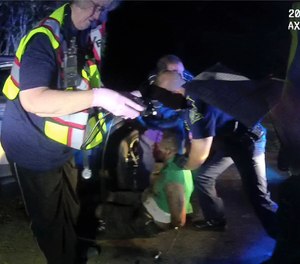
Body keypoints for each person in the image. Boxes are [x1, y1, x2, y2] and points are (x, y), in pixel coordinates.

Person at [0, 1, 144, 263]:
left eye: (104, 10)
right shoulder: (43, 39)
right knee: (49, 219)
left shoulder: (82, 34)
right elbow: (34, 101)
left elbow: (79, 86)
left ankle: (72, 247)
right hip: (30, 144)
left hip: (62, 141)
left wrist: (119, 98)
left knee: (72, 204)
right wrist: (99, 97)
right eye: (93, 5)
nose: (95, 15)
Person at [153, 70, 278, 239]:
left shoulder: (197, 108)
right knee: (204, 177)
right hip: (228, 140)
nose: (164, 103)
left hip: (249, 143)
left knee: (258, 197)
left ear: (174, 92)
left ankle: (285, 235)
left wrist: (179, 164)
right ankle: (215, 220)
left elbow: (198, 158)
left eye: (164, 98)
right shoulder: (190, 91)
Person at [95, 129, 194, 239]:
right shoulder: (174, 164)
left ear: (168, 151)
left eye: (156, 146)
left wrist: (160, 228)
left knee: (99, 211)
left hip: (148, 221)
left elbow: (179, 221)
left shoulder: (174, 177)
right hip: (148, 201)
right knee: (111, 196)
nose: (153, 147)